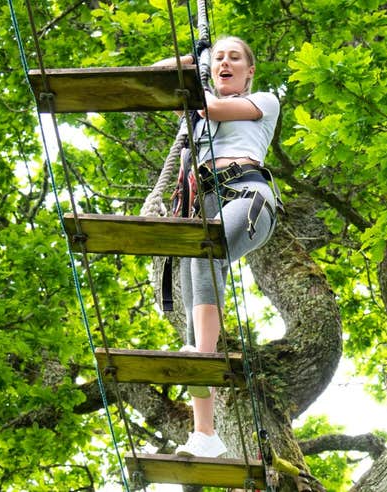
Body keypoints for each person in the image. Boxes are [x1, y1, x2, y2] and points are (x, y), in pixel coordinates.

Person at [156, 36, 281, 458]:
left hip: (246, 198)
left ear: (249, 72)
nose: (225, 63)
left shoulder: (263, 101)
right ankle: (205, 433)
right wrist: (193, 56)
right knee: (198, 300)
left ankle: (202, 358)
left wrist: (203, 73)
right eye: (219, 59)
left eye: (234, 59)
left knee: (205, 251)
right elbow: (156, 80)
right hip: (202, 203)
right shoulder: (196, 113)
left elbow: (209, 106)